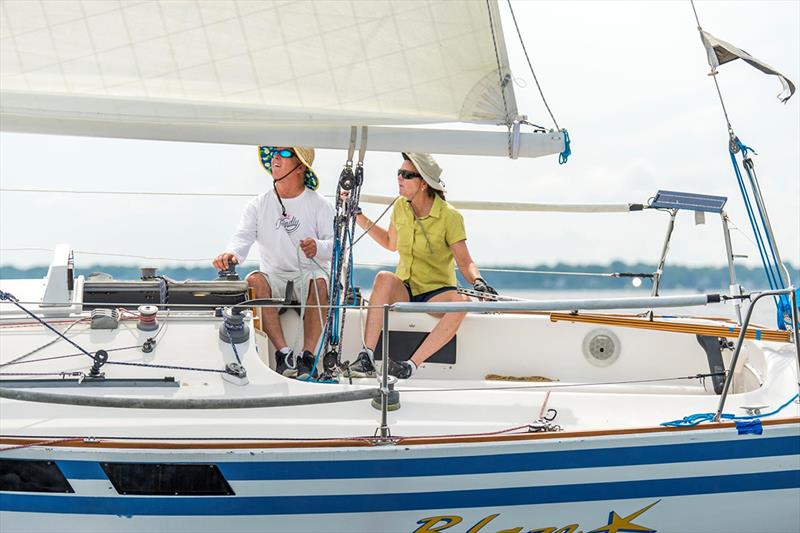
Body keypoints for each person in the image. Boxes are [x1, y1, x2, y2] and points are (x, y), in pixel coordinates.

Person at [348, 153, 495, 379]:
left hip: (436, 293)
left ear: (424, 183)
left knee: (463, 302)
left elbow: (465, 262)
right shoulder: (400, 206)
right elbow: (390, 243)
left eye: (407, 175)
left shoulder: (450, 216)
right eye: (399, 173)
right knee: (383, 278)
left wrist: (478, 282)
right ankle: (367, 357)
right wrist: (359, 217)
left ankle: (410, 365)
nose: (399, 178)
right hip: (405, 288)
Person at [213, 147, 334, 379]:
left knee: (320, 283)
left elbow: (338, 246)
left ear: (301, 167)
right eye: (274, 152)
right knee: (254, 279)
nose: (276, 157)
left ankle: (308, 357)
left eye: (285, 153)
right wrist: (231, 254)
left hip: (308, 276)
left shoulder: (319, 204)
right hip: (274, 277)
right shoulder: (257, 205)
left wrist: (318, 247)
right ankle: (284, 354)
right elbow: (242, 238)